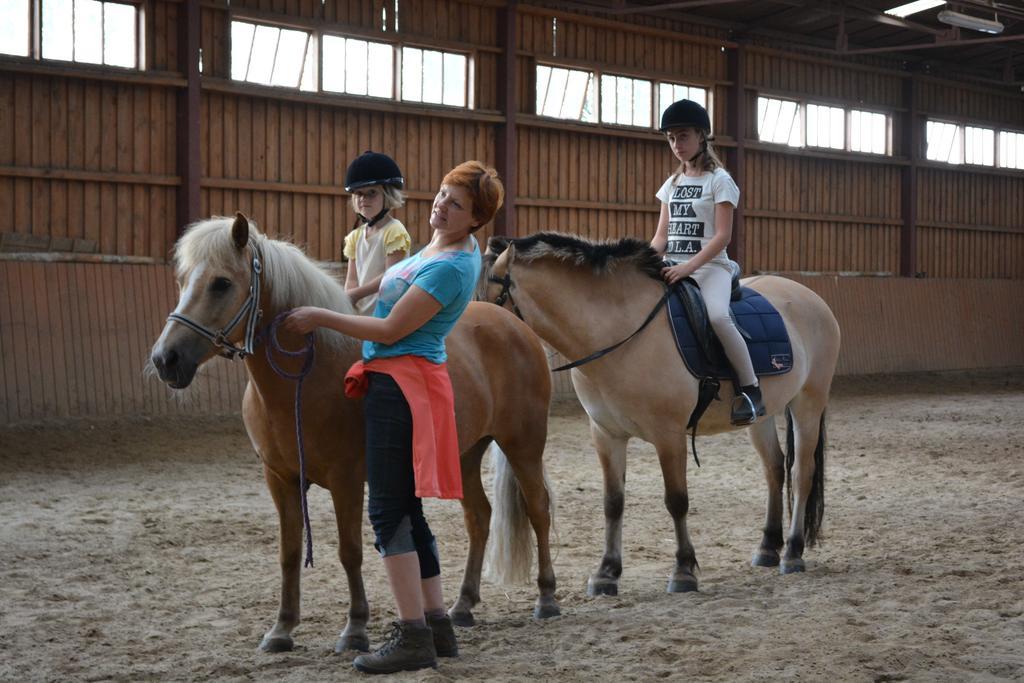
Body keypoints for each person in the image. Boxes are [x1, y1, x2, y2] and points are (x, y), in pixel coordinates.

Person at [283, 160, 504, 674]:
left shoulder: (451, 265)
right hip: (398, 380)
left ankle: (411, 636)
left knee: (386, 512)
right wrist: (346, 295)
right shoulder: (440, 246)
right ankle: (435, 623)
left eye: (456, 204)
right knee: (407, 508)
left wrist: (317, 315)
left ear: (475, 220)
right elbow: (388, 289)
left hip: (402, 386)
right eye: (443, 194)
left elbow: (388, 331)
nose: (441, 206)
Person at [651, 99, 765, 425]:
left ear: (702, 136)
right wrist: (642, 261)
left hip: (711, 268)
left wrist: (688, 268)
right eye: (671, 138)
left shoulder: (720, 181)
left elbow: (722, 238)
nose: (677, 145)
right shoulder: (671, 185)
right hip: (672, 264)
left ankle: (750, 388)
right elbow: (661, 237)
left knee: (717, 317)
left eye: (683, 136)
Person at [343, 151, 412, 315]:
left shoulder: (394, 232)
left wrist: (356, 294)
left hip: (388, 312)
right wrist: (348, 299)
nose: (363, 199)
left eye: (371, 193)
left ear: (388, 195)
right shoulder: (355, 236)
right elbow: (352, 279)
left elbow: (390, 276)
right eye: (359, 193)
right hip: (361, 311)